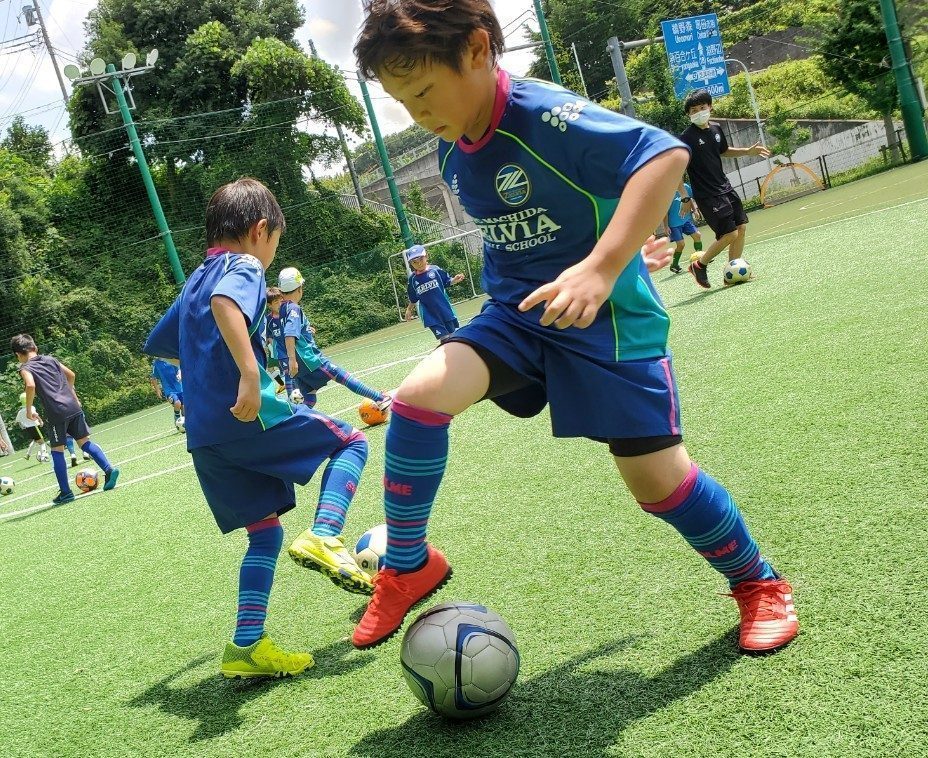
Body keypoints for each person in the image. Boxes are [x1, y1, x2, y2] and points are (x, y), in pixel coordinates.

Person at [350, 0, 798, 654]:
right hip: (521, 316)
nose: (418, 114)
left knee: (656, 480)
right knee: (418, 399)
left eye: (422, 92)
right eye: (402, 103)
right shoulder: (452, 150)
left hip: (607, 320)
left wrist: (605, 264)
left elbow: (662, 156)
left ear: (477, 50)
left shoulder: (542, 114)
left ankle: (758, 584)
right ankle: (409, 563)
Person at [143, 177, 375, 679]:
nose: (269, 255)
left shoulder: (194, 280)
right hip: (249, 415)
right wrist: (249, 373)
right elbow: (228, 305)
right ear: (259, 230)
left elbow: (159, 341)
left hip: (205, 436)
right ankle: (326, 534)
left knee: (265, 534)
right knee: (352, 442)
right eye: (274, 244)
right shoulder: (242, 265)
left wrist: (206, 358)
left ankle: (246, 646)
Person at [677, 89, 771, 288]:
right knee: (730, 234)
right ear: (688, 114)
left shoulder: (717, 129)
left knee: (741, 228)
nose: (699, 112)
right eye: (694, 110)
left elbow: (724, 151)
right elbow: (677, 171)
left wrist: (748, 151)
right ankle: (699, 266)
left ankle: (731, 273)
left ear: (710, 107)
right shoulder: (686, 139)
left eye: (702, 108)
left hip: (725, 187)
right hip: (707, 194)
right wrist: (685, 197)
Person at [11, 334, 119, 503]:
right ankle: (109, 469)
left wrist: (28, 410)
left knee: (57, 450)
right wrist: (70, 394)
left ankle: (66, 492)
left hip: (56, 412)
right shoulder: (51, 359)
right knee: (85, 442)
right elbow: (71, 375)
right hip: (73, 406)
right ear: (35, 348)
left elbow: (30, 385)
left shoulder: (25, 368)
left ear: (18, 355)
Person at [277, 267, 392, 410]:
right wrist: (292, 360)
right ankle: (380, 398)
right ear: (300, 288)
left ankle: (297, 422)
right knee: (341, 375)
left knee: (309, 397)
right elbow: (289, 334)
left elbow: (292, 331)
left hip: (302, 366)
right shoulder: (294, 308)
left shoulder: (283, 308)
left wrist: (306, 331)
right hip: (310, 360)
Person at [403, 244, 466, 340]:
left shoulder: (435, 270)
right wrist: (409, 309)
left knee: (455, 336)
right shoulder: (413, 279)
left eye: (421, 259)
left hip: (445, 309)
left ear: (426, 256)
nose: (419, 263)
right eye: (414, 262)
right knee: (445, 339)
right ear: (411, 264)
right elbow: (413, 297)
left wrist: (455, 280)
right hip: (430, 315)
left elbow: (447, 281)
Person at [666, 182, 703, 273]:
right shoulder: (666, 192)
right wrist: (666, 226)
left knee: (697, 235)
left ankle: (701, 258)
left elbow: (689, 199)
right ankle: (674, 265)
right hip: (674, 224)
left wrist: (695, 210)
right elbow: (664, 212)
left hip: (686, 220)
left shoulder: (685, 187)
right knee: (681, 245)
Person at [265, 287, 294, 397]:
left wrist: (308, 329)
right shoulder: (268, 320)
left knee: (297, 377)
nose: (279, 303)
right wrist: (269, 348)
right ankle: (292, 400)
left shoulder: (290, 313)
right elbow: (269, 336)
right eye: (276, 301)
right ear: (270, 305)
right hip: (281, 352)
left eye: (281, 300)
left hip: (295, 350)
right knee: (288, 374)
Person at [150, 358, 185, 430]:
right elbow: (153, 378)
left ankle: (186, 424)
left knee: (184, 408)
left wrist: (179, 373)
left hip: (180, 388)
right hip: (169, 391)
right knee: (177, 403)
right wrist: (158, 390)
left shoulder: (171, 358)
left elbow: (180, 366)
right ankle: (177, 419)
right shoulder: (156, 363)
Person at [14, 393, 48, 461]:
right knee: (42, 442)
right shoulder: (31, 408)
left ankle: (28, 454)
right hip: (35, 427)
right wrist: (40, 421)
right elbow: (35, 414)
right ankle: (43, 456)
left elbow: (17, 421)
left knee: (35, 440)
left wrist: (23, 425)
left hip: (28, 429)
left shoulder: (20, 412)